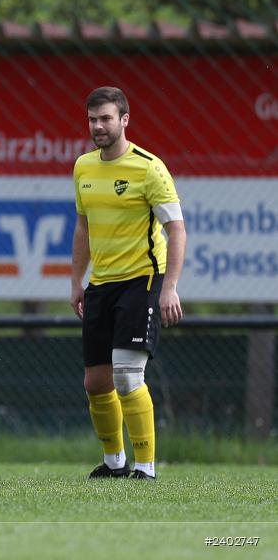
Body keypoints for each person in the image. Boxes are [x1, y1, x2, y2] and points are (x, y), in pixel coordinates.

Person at [70, 87, 185, 480]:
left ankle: (146, 467)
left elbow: (177, 230)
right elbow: (83, 227)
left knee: (127, 375)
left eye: (106, 118)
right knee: (95, 382)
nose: (98, 126)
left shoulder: (149, 168)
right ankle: (115, 462)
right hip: (101, 284)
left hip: (142, 280)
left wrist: (170, 287)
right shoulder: (83, 167)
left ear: (124, 120)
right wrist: (76, 281)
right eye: (92, 119)